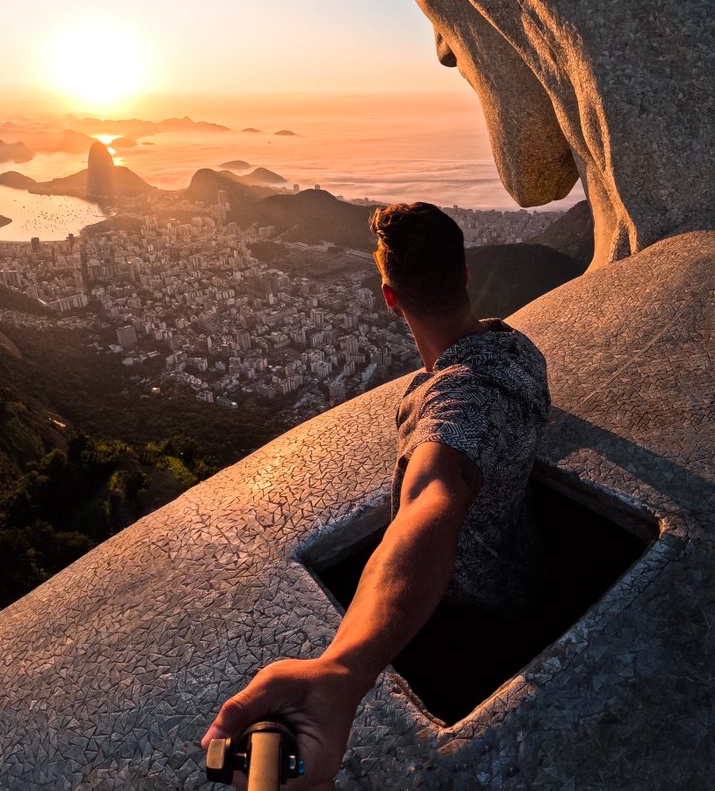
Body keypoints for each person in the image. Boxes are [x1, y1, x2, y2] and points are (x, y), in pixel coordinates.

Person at [202, 201, 549, 788]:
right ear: (465, 274)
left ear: (389, 296)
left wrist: (341, 669)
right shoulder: (518, 351)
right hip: (525, 568)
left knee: (254, 762)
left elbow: (429, 502)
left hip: (467, 617)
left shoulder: (452, 408)